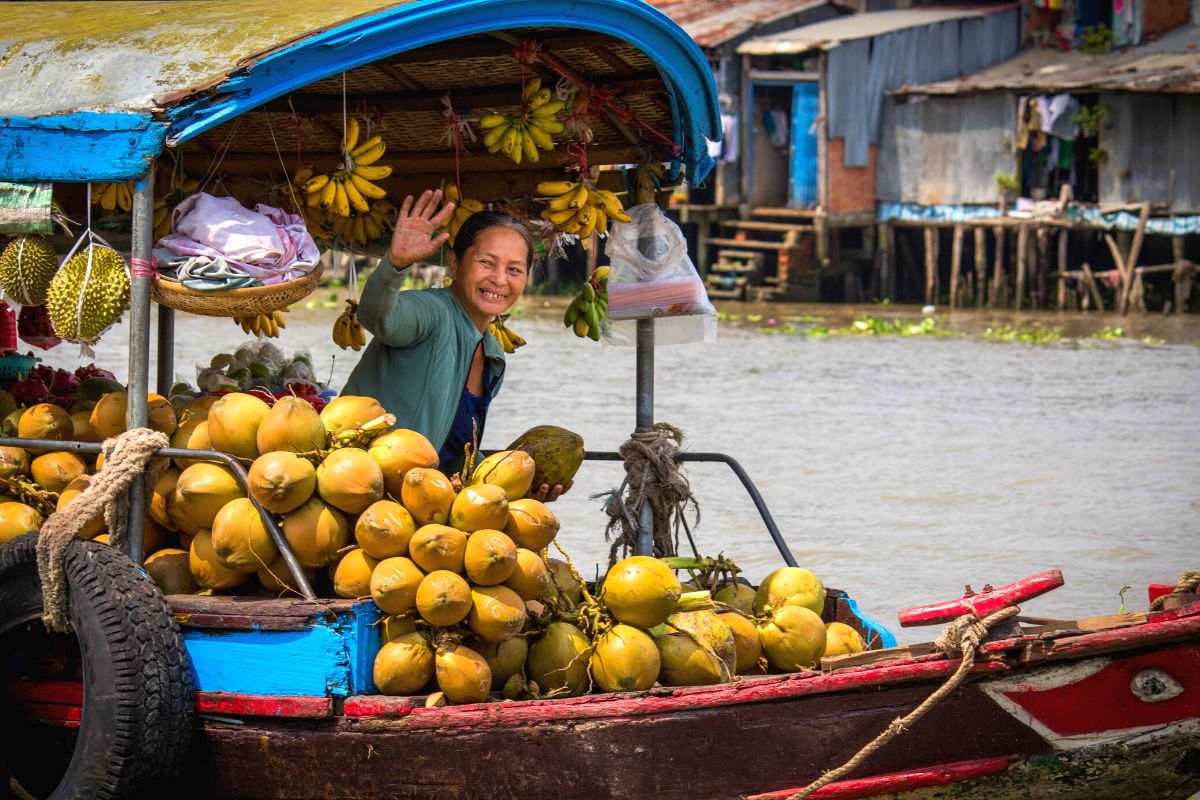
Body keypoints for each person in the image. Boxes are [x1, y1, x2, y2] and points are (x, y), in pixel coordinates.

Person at [343, 189, 571, 502]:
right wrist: (395, 264)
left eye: (514, 270)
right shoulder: (432, 311)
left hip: (415, 504)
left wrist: (517, 485)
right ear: (456, 263)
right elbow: (378, 318)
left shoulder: (493, 357)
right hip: (356, 486)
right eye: (487, 263)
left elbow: (454, 457)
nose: (500, 279)